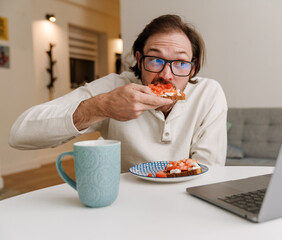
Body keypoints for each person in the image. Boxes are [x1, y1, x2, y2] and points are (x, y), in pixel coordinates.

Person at [9, 14, 228, 172]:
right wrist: (100, 106)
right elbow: (19, 134)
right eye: (155, 59)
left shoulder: (209, 94)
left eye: (180, 63)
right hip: (124, 204)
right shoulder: (114, 88)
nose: (167, 75)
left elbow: (209, 170)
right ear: (139, 60)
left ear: (193, 67)